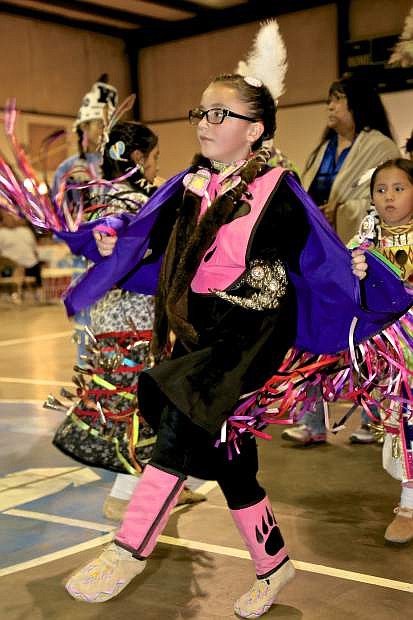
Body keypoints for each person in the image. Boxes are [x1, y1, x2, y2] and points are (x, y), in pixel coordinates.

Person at [61, 62, 413, 619]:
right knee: (228, 454)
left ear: (254, 130)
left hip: (252, 331)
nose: (204, 121)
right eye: (201, 111)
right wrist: (106, 244)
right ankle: (274, 566)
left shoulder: (279, 191)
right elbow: (144, 242)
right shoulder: (190, 185)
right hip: (199, 326)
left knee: (183, 412)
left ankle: (130, 547)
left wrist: (363, 279)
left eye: (220, 113)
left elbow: (320, 257)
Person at [51, 121, 205, 518]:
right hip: (130, 322)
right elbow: (116, 228)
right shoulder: (119, 199)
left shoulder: (125, 194)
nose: (156, 166)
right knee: (137, 406)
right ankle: (123, 495)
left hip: (133, 318)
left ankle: (173, 481)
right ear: (137, 158)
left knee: (156, 401)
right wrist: (108, 233)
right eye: (153, 158)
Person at [282, 74, 400, 446]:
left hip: (359, 259)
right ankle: (312, 420)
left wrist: (337, 212)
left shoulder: (379, 147)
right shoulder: (322, 150)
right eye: (329, 100)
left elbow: (384, 201)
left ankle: (374, 419)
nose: (330, 107)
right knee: (310, 332)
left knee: (366, 336)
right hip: (319, 259)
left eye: (337, 100)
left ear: (356, 104)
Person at [351, 158, 413, 544]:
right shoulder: (365, 240)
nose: (388, 197)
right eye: (380, 190)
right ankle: (408, 501)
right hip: (392, 354)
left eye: (399, 188)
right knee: (401, 418)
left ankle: (409, 505)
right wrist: (354, 270)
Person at [52, 75, 118, 366]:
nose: (103, 130)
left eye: (107, 124)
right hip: (84, 263)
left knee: (116, 329)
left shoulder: (119, 164)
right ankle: (89, 393)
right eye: (97, 124)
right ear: (83, 128)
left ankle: (118, 393)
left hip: (119, 260)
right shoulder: (69, 169)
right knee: (87, 329)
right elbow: (58, 222)